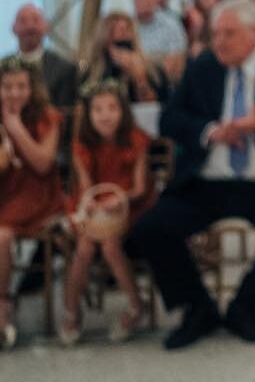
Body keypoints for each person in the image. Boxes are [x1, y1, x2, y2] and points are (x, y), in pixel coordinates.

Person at [125, 0, 255, 350]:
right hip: (207, 181)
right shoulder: (203, 67)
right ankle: (198, 307)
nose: (218, 42)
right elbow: (170, 119)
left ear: (254, 34)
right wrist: (211, 131)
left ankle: (248, 305)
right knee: (151, 228)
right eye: (215, 34)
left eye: (228, 33)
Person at [59, 80, 155, 345]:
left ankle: (136, 306)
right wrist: (92, 205)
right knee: (85, 247)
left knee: (111, 245)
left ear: (123, 110)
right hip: (96, 203)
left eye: (112, 108)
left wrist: (118, 198)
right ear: (88, 114)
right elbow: (86, 186)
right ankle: (71, 310)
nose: (105, 115)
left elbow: (139, 187)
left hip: (129, 205)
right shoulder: (82, 144)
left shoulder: (136, 139)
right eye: (98, 109)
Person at [0, 57, 66, 349]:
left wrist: (15, 127)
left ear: (32, 87)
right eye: (7, 87)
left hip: (36, 193)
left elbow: (42, 163)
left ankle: (3, 304)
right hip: (5, 189)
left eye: (20, 86)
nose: (14, 93)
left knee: (2, 235)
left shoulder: (47, 116)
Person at [6, 4, 79, 117]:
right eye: (23, 21)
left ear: (46, 27)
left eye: (36, 20)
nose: (30, 27)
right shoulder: (3, 68)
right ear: (13, 28)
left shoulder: (65, 68)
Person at [83, 11, 162, 103]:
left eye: (126, 30)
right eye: (113, 31)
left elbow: (153, 103)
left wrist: (139, 76)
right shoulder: (91, 71)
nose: (120, 36)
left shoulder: (152, 69)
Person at [134, 0, 188, 88]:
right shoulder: (129, 26)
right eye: (139, 1)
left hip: (166, 83)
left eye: (146, 1)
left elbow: (176, 60)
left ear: (155, 0)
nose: (142, 5)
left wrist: (142, 60)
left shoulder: (171, 23)